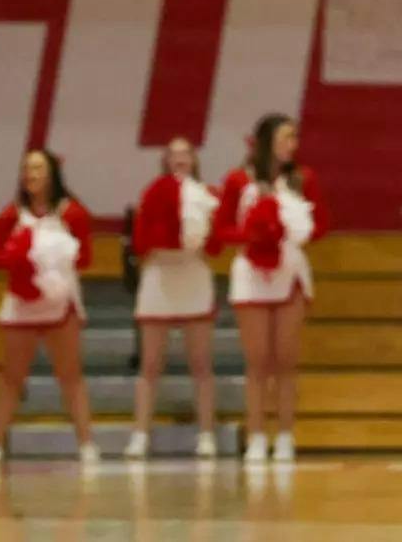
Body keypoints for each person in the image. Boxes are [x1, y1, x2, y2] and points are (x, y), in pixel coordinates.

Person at [215, 112, 328, 464]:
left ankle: (285, 436)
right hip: (251, 271)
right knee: (258, 360)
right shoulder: (238, 180)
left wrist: (297, 231)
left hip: (289, 270)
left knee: (286, 359)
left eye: (294, 137)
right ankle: (257, 436)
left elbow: (322, 224)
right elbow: (220, 229)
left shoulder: (302, 179)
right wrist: (253, 235)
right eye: (285, 137)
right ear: (266, 141)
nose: (292, 144)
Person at [0, 149, 97, 469]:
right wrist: (20, 260)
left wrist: (58, 260)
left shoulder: (71, 213)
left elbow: (86, 258)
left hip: (61, 302)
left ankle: (86, 443)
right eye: (27, 169)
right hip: (21, 303)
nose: (31, 174)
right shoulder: (11, 214)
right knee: (11, 377)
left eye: (38, 168)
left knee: (70, 375)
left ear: (52, 174)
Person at [127, 138, 223, 460]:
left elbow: (216, 244)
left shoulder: (207, 196)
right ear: (166, 160)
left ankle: (207, 434)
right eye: (174, 154)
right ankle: (140, 434)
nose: (180, 158)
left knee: (201, 363)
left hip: (193, 273)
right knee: (150, 364)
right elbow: (140, 241)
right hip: (159, 273)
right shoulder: (153, 192)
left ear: (195, 160)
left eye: (186, 153)